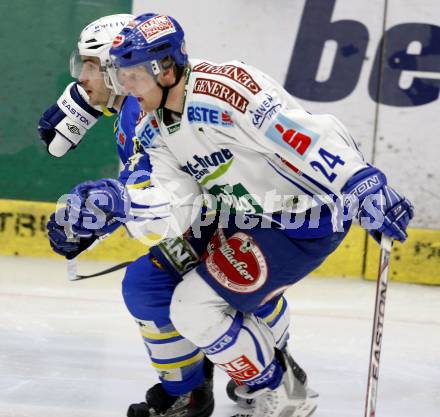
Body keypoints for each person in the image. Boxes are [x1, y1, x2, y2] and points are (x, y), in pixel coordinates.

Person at [40, 14, 298, 417]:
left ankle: (239, 375)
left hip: (244, 220)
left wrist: (103, 213)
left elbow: (154, 196)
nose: (81, 77)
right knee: (168, 284)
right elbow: (154, 194)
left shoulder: (139, 112)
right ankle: (241, 370)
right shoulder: (130, 107)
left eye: (91, 65)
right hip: (211, 218)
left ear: (116, 69)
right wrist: (100, 218)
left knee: (159, 285)